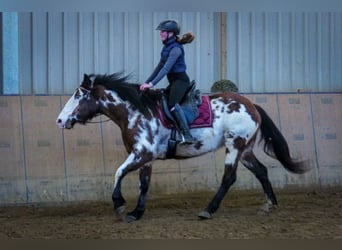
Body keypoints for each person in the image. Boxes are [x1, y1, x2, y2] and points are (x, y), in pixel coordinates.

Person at [140, 20, 196, 144]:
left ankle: (187, 134)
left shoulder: (176, 49)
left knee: (172, 104)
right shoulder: (166, 48)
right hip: (173, 81)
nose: (161, 33)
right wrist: (146, 82)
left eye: (163, 31)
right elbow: (159, 67)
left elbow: (166, 69)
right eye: (161, 31)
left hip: (181, 81)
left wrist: (152, 84)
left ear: (171, 33)